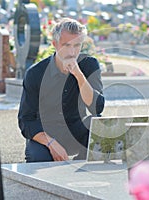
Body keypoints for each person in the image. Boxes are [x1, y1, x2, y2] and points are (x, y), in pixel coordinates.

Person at [18, 18, 105, 162]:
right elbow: (26, 120)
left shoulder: (89, 65)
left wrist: (79, 75)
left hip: (76, 130)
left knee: (100, 128)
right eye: (66, 45)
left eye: (77, 45)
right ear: (55, 44)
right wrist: (50, 143)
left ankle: (80, 167)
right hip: (46, 135)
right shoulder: (35, 73)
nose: (72, 52)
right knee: (37, 158)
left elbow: (97, 108)